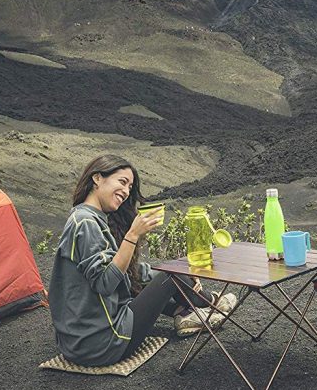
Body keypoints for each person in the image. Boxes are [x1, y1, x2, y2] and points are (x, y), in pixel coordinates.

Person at [49, 154, 236, 366]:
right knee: (169, 276)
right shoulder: (85, 223)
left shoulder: (86, 218)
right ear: (97, 178)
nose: (127, 191)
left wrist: (182, 272)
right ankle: (209, 304)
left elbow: (130, 273)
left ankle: (188, 311)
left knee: (167, 275)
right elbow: (105, 283)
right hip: (103, 344)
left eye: (130, 187)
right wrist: (132, 236)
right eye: (122, 182)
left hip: (77, 343)